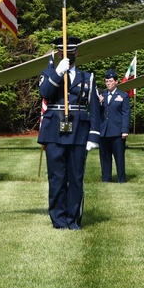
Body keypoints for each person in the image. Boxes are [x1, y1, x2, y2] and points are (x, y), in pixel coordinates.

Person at [38, 36, 101, 229]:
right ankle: (58, 219)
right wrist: (58, 73)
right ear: (58, 54)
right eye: (63, 52)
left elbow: (94, 109)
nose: (68, 55)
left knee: (76, 177)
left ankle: (73, 218)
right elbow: (45, 93)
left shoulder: (87, 77)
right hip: (54, 132)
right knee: (56, 178)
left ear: (77, 52)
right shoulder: (48, 73)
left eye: (71, 51)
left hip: (79, 132)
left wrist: (94, 135)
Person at [98, 69, 130, 183]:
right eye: (106, 81)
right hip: (104, 131)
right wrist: (98, 103)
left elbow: (126, 114)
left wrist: (124, 130)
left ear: (116, 82)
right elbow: (96, 113)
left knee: (119, 157)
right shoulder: (101, 95)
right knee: (104, 157)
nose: (108, 83)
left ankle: (121, 179)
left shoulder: (123, 95)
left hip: (117, 131)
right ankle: (106, 178)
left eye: (110, 81)